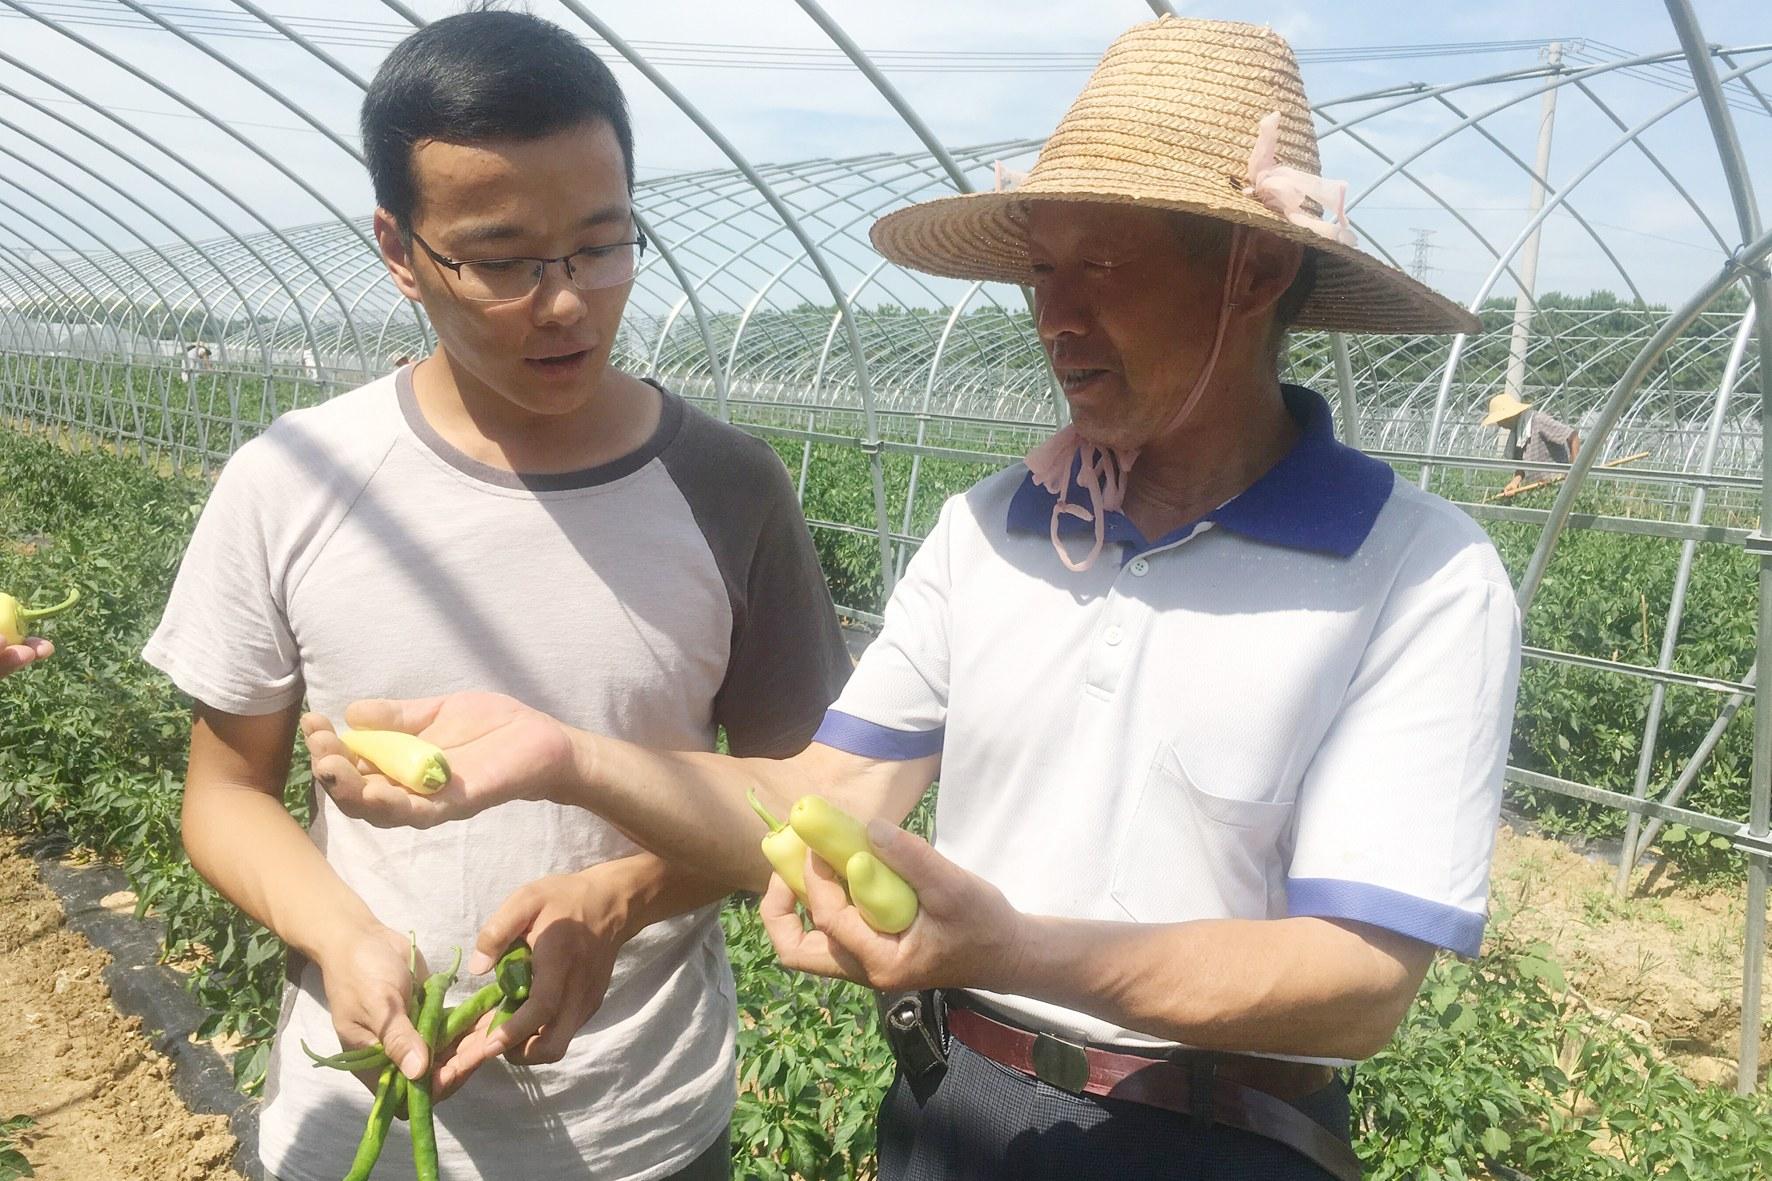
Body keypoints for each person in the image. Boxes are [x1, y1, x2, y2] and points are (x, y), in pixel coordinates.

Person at [310, 17, 1521, 1181]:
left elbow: (1357, 980)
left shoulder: (1413, 570)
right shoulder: (991, 530)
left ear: (1252, 267)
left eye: (1098, 267)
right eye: (1040, 272)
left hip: (1221, 1134)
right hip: (952, 1110)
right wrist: (563, 755)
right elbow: (811, 798)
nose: (1054, 317)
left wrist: (1016, 949)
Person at [143, 10, 849, 1181]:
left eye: (601, 243)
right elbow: (223, 793)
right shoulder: (294, 480)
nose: (565, 301)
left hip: (647, 1130)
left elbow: (808, 803)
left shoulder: (728, 487)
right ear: (399, 248)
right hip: (354, 1129)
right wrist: (339, 929)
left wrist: (623, 891)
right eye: (504, 259)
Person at [1483, 391, 1580, 495]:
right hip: (1537, 490)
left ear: (1509, 416)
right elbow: (1522, 465)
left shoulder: (1538, 421)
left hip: (1557, 486)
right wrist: (1514, 483)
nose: (1499, 424)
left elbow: (1573, 436)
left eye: (1499, 420)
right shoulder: (1519, 433)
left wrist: (1573, 472)